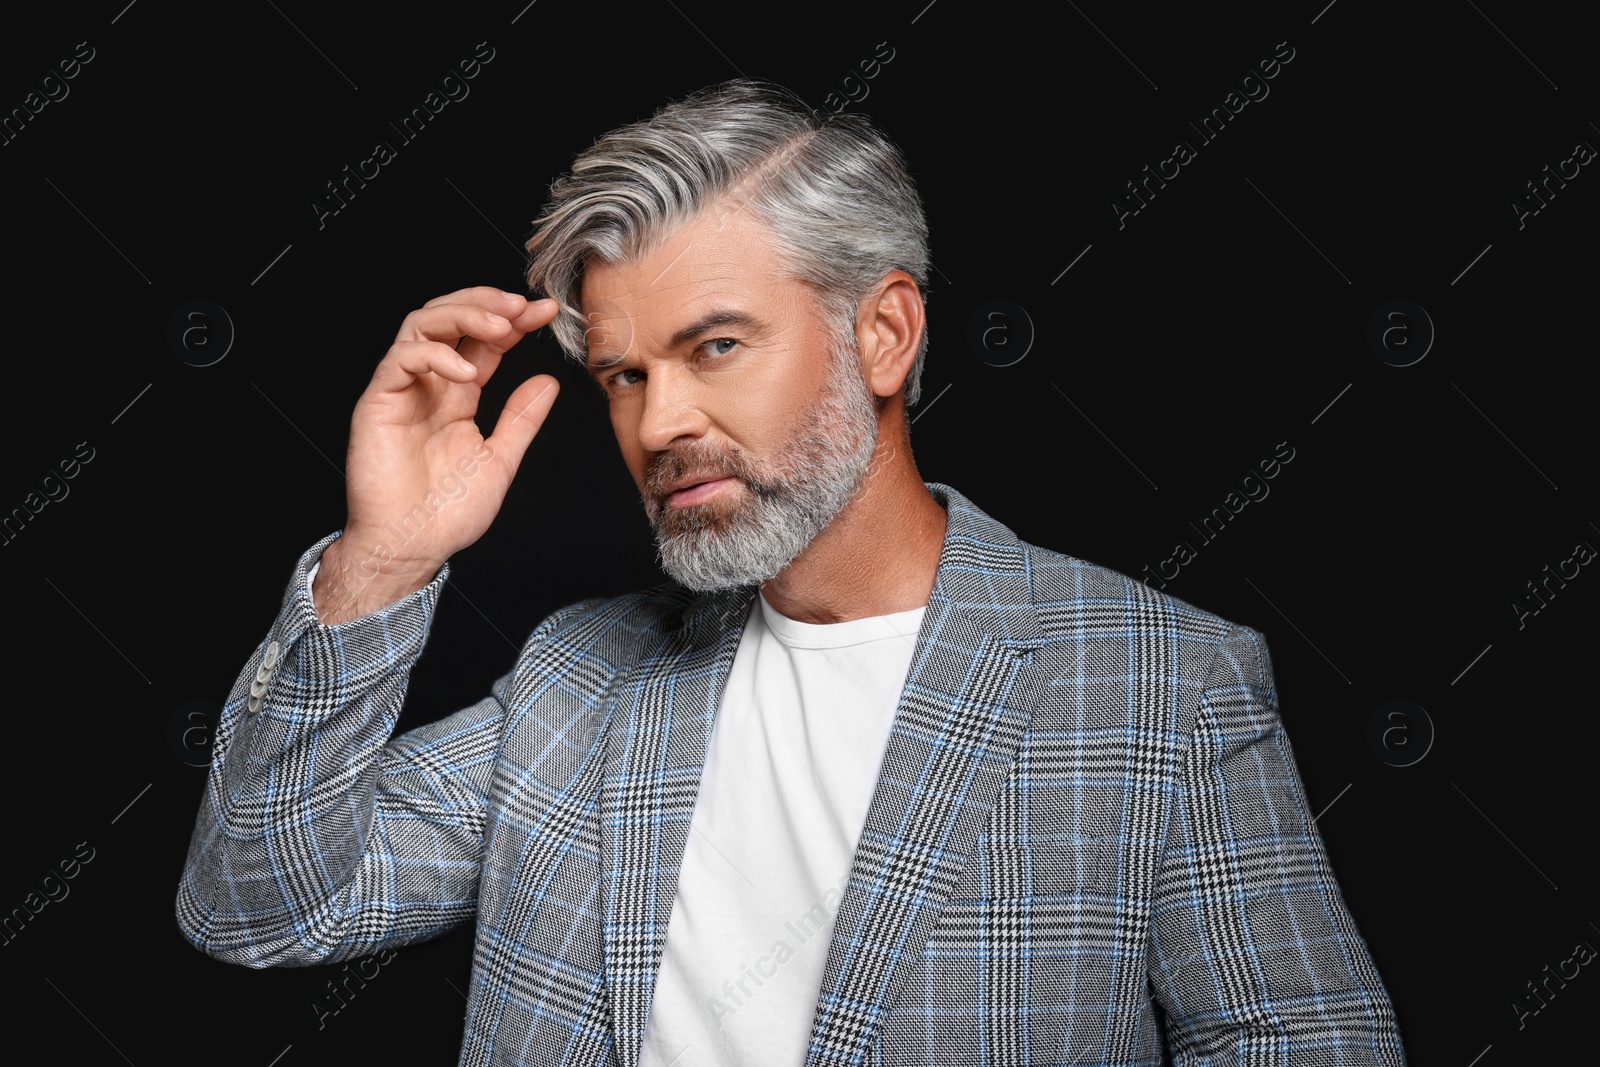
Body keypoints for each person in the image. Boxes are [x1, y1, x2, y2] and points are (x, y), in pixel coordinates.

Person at [175, 79, 1406, 1066]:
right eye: (625, 373)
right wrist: (383, 558)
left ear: (883, 333)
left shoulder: (1165, 686)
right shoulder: (574, 677)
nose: (659, 423)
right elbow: (264, 906)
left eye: (715, 346)